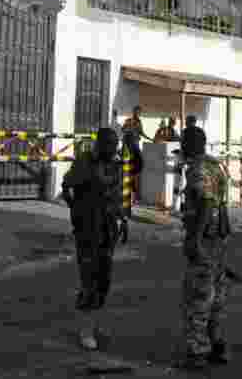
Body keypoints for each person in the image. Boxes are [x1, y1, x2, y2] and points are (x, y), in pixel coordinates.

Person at [61, 127, 129, 351]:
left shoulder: (115, 165)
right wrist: (77, 214)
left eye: (115, 145)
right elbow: (66, 187)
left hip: (108, 230)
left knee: (104, 280)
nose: (113, 149)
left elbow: (118, 195)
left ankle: (94, 325)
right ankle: (86, 330)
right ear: (100, 144)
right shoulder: (85, 162)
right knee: (89, 280)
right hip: (88, 231)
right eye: (109, 145)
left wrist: (123, 220)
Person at [179, 123, 232, 370]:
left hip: (205, 239)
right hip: (218, 239)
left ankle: (197, 353)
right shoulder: (215, 165)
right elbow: (221, 203)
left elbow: (207, 203)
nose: (180, 146)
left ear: (190, 145)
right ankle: (217, 344)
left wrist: (194, 238)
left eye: (183, 142)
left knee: (198, 297)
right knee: (217, 296)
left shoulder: (197, 170)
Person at [121, 106, 152, 203]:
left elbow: (141, 133)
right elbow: (123, 130)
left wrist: (150, 139)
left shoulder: (139, 122)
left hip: (135, 146)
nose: (137, 114)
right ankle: (128, 195)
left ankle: (133, 194)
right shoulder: (128, 121)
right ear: (133, 112)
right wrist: (128, 128)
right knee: (127, 169)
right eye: (136, 112)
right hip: (128, 147)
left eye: (139, 112)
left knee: (138, 166)